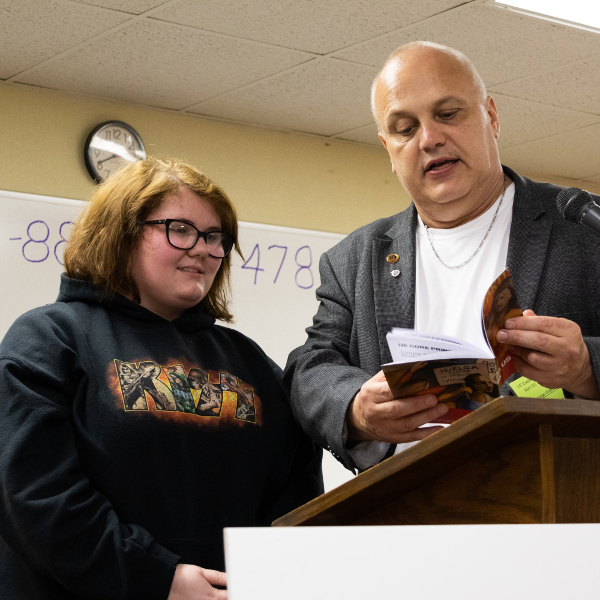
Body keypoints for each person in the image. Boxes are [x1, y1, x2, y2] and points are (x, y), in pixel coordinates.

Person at [0, 158, 323, 599]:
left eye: (215, 237)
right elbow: (35, 497)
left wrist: (265, 578)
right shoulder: (48, 339)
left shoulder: (249, 362)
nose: (203, 249)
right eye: (180, 229)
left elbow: (296, 494)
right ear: (122, 233)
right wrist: (159, 578)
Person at [285, 41, 600, 473]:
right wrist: (356, 409)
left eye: (448, 114)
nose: (430, 139)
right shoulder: (354, 259)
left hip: (564, 505)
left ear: (490, 116)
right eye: (405, 128)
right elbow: (310, 368)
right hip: (410, 512)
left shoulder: (583, 226)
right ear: (388, 149)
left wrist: (586, 367)